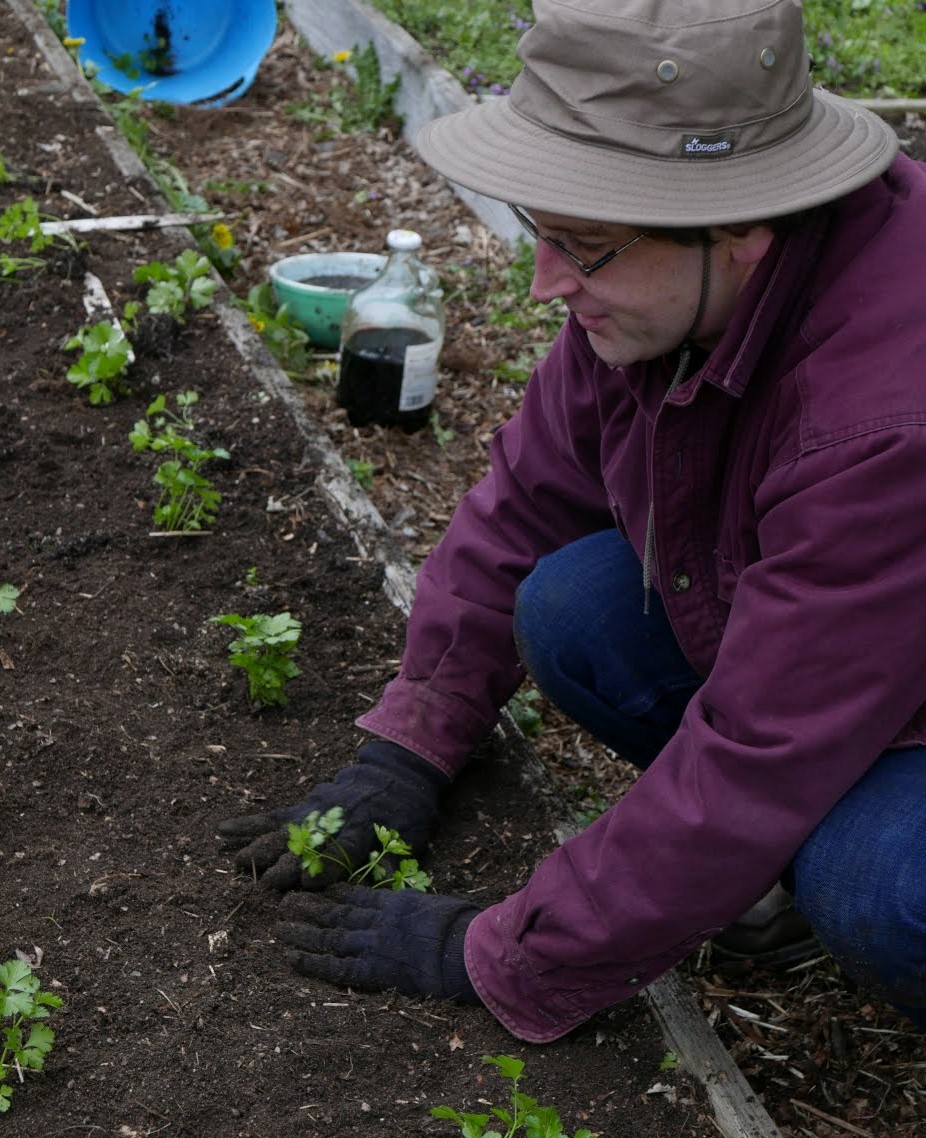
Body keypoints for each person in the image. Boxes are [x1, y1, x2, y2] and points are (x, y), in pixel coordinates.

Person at [219, 0, 926, 1042]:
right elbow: (523, 508)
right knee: (570, 606)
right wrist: (408, 748)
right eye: (542, 229)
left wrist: (507, 950)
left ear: (741, 226)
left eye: (584, 246)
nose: (545, 279)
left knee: (883, 885)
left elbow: (762, 744)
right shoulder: (675, 297)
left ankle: (816, 862)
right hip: (857, 653)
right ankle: (765, 867)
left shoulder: (883, 419)